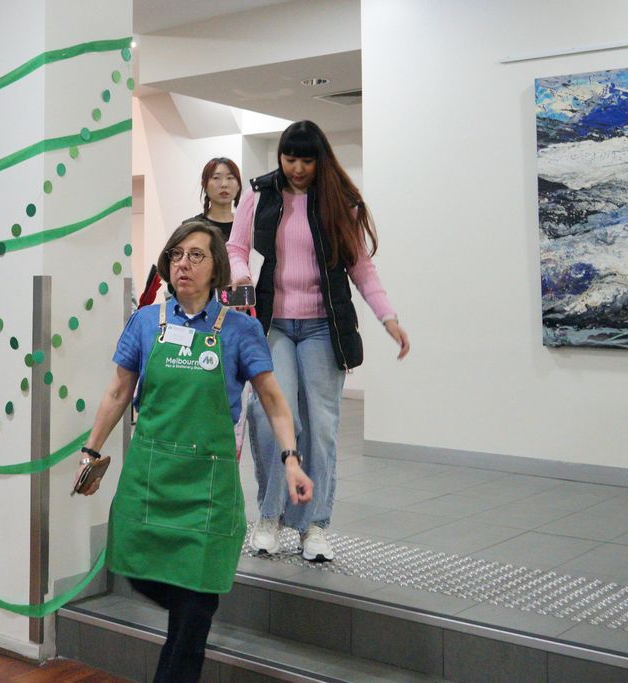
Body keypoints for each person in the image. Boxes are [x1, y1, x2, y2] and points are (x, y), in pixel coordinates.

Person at [76, 221, 313, 682]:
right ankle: (190, 606)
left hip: (207, 488)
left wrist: (290, 459)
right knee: (135, 571)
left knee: (194, 614)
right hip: (151, 478)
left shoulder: (241, 329)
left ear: (217, 268)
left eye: (196, 256)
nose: (183, 263)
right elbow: (118, 391)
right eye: (177, 254)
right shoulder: (146, 321)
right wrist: (91, 449)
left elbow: (273, 399)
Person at [227, 120, 411, 562]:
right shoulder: (259, 193)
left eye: (306, 160)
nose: (297, 168)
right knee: (270, 417)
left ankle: (316, 527)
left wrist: (387, 316)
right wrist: (242, 278)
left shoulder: (337, 202)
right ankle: (269, 517)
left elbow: (360, 267)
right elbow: (235, 248)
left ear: (320, 159)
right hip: (273, 325)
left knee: (322, 428)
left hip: (322, 329)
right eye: (290, 158)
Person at [137, 157, 242, 307]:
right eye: (216, 178)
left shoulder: (249, 227)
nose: (224, 184)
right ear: (204, 184)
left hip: (242, 308)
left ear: (238, 185)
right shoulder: (192, 227)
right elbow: (175, 271)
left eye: (230, 178)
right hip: (200, 308)